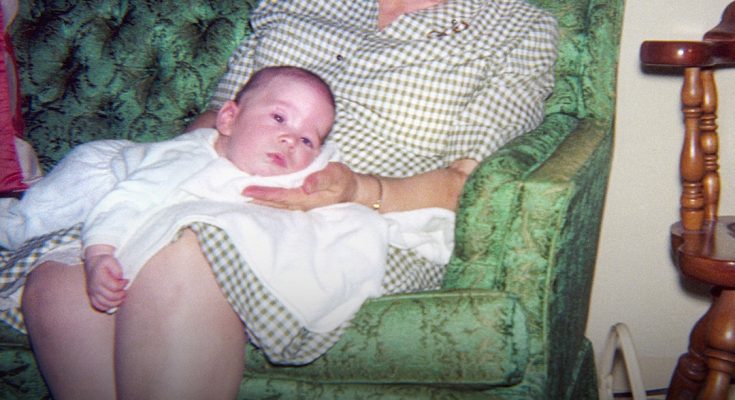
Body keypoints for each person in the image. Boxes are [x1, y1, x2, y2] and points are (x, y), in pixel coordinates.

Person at [10, 0, 559, 398]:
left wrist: (358, 189)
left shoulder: (515, 27)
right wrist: (168, 172)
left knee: (190, 250)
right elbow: (221, 114)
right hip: (222, 182)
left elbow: (472, 180)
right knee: (58, 283)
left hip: (367, 213)